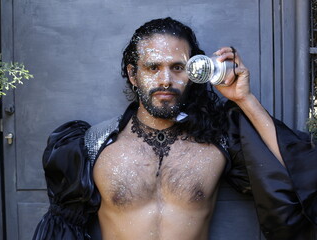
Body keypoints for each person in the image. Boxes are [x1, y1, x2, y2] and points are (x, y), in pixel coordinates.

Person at [33, 17, 316, 240]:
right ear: (134, 74)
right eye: (153, 67)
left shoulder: (217, 141)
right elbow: (61, 231)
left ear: (194, 73)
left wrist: (244, 98)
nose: (166, 79)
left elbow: (296, 178)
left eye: (178, 67)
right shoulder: (94, 144)